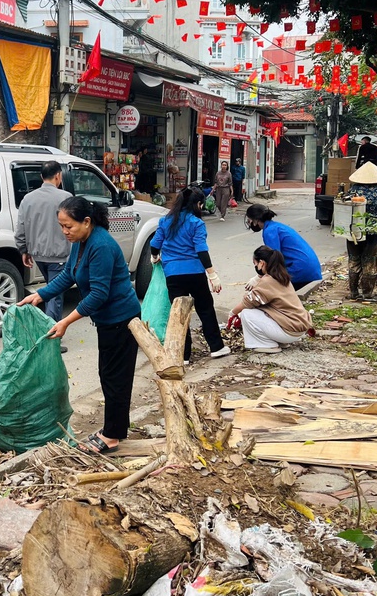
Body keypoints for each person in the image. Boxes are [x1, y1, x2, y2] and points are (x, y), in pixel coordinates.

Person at [17, 195, 141, 455]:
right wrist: (40, 295)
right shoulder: (81, 242)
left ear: (86, 221)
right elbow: (69, 275)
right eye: (61, 226)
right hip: (108, 320)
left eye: (68, 226)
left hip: (121, 319)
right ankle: (113, 429)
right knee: (108, 376)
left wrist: (65, 322)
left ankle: (112, 436)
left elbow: (98, 294)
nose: (65, 232)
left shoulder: (101, 245)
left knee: (115, 378)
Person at [150, 186, 231, 365]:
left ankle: (184, 355)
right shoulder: (196, 223)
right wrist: (212, 275)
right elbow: (201, 250)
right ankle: (216, 347)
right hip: (194, 273)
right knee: (205, 309)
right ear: (197, 204)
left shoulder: (166, 221)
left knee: (180, 314)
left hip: (172, 275)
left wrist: (155, 257)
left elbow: (155, 244)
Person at [14, 162, 70, 339]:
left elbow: (20, 227)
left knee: (50, 291)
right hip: (59, 255)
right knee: (54, 296)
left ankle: (46, 331)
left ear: (41, 177)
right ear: (58, 176)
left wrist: (24, 249)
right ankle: (50, 338)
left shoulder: (28, 199)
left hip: (38, 255)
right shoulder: (66, 197)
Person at [228, 246, 312, 353]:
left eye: (256, 264)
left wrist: (232, 314)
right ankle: (282, 341)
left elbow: (247, 303)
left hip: (290, 330)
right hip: (299, 327)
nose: (256, 267)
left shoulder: (268, 281)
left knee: (246, 314)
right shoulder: (283, 277)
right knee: (261, 310)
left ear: (262, 263)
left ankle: (268, 345)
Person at [244, 204, 323, 290]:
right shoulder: (276, 226)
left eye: (249, 220)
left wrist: (258, 278)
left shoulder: (269, 231)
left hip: (300, 270)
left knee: (268, 289)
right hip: (311, 269)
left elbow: (273, 259)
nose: (249, 223)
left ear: (255, 220)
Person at [344, 161, 377, 301]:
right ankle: (367, 294)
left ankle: (353, 292)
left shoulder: (352, 190)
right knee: (369, 262)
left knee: (353, 261)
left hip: (353, 232)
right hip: (372, 233)